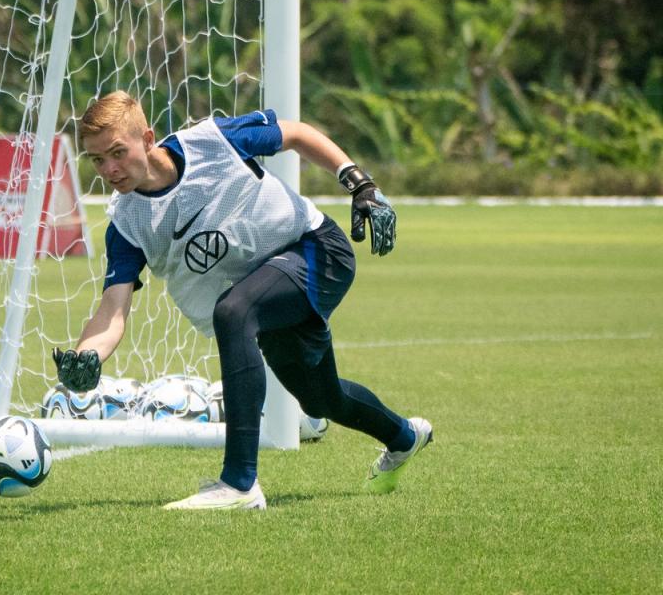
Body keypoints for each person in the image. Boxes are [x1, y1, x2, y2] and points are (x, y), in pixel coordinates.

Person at [52, 91, 432, 510]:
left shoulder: (210, 140)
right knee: (322, 401)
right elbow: (112, 308)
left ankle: (238, 484)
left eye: (117, 153)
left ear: (147, 138)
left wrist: (360, 184)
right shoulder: (125, 223)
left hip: (316, 249)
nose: (109, 169)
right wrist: (87, 356)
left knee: (232, 311)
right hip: (266, 288)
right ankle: (404, 436)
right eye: (97, 160)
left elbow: (297, 134)